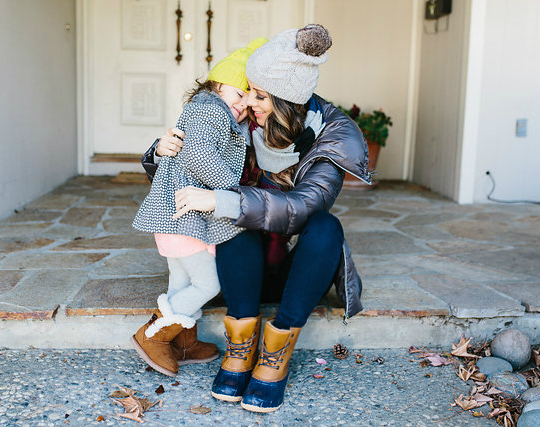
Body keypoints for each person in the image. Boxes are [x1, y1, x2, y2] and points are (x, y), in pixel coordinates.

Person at [157, 24, 371, 413]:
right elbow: (190, 167)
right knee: (235, 225)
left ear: (286, 99)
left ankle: (275, 355)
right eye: (248, 92)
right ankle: (240, 350)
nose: (247, 102)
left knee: (326, 227)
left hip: (295, 272)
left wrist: (223, 200)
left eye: (259, 95)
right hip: (238, 269)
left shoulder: (333, 134)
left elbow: (305, 207)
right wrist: (161, 150)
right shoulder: (244, 122)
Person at [130, 37, 267, 378]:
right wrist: (234, 192)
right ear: (218, 85)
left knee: (180, 279)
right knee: (208, 284)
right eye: (239, 96)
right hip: (184, 216)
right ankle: (152, 336)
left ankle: (183, 343)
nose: (242, 108)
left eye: (248, 105)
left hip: (179, 218)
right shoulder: (208, 109)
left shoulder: (213, 110)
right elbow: (201, 156)